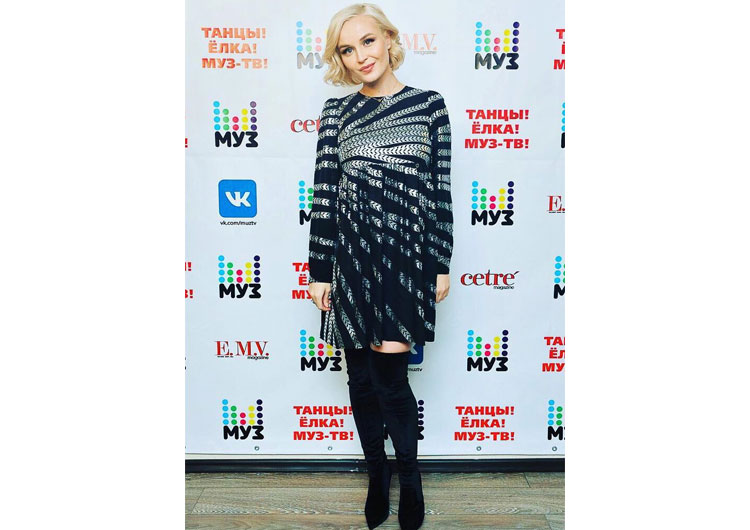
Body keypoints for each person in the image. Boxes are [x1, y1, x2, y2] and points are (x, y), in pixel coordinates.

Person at [307, 3, 453, 529]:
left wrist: (439, 263)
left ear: (389, 39)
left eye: (368, 42)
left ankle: (410, 480)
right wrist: (318, 271)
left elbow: (439, 192)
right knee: (362, 383)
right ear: (340, 59)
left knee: (391, 380)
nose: (360, 56)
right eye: (347, 49)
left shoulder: (429, 106)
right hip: (351, 262)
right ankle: (377, 476)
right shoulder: (336, 114)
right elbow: (325, 195)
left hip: (404, 263)